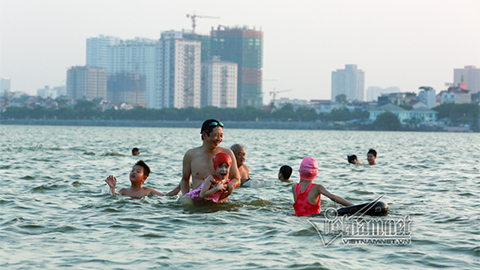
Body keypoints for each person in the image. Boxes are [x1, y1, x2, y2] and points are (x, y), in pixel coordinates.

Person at [166, 119, 240, 199]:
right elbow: (185, 180)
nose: (219, 139)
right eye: (216, 135)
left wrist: (229, 185)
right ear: (204, 135)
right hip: (198, 201)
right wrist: (186, 198)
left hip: (220, 202)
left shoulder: (227, 154)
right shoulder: (190, 155)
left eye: (221, 135)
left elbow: (237, 179)